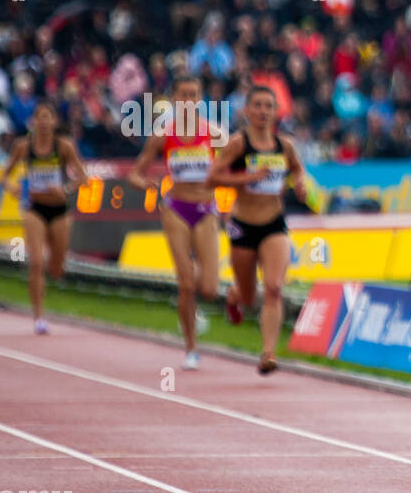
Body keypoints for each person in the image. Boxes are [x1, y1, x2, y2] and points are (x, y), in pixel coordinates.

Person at [208, 84, 308, 375]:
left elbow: (297, 169)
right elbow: (213, 177)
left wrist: (299, 183)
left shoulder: (284, 146)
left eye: (269, 106)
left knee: (274, 288)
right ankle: (235, 295)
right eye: (258, 106)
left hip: (274, 223)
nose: (264, 111)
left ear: (276, 111)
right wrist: (248, 177)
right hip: (243, 224)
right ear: (247, 110)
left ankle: (268, 354)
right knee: (250, 297)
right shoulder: (238, 144)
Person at [129, 76, 225, 370]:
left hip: (206, 209)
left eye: (193, 95)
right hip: (176, 208)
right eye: (182, 95)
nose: (188, 100)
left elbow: (234, 166)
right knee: (185, 284)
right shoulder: (163, 135)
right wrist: (145, 183)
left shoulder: (214, 133)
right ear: (173, 100)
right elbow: (135, 172)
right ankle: (191, 348)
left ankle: (192, 303)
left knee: (208, 287)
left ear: (200, 99)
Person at [0, 101, 88, 334]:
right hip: (34, 209)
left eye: (49, 117)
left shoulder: (64, 147)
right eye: (41, 117)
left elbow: (83, 177)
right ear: (34, 122)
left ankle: (52, 266)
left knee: (56, 269)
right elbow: (4, 176)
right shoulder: (23, 147)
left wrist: (66, 190)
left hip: (59, 211)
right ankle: (38, 317)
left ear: (55, 122)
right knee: (36, 263)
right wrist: (12, 187)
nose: (45, 122)